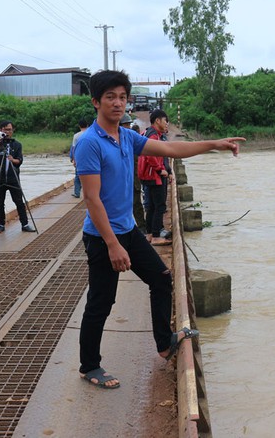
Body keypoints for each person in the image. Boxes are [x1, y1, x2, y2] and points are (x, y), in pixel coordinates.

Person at [73, 70, 244, 389]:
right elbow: (92, 200)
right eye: (110, 97)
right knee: (102, 301)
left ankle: (165, 343)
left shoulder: (127, 137)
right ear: (96, 102)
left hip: (128, 230)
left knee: (161, 279)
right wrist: (112, 245)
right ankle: (89, 365)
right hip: (101, 236)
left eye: (122, 97)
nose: (118, 103)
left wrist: (213, 145)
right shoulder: (89, 144)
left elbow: (171, 151)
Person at [0, 120, 35, 233]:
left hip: (13, 178)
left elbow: (20, 161)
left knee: (19, 202)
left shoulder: (16, 145)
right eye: (6, 130)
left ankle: (25, 224)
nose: (8, 132)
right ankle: (1, 225)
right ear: (1, 130)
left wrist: (13, 160)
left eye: (10, 130)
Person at [138, 109, 174, 245]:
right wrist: (161, 170)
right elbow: (150, 155)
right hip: (154, 175)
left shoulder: (150, 133)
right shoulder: (153, 136)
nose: (166, 124)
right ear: (157, 121)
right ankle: (157, 236)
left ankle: (149, 234)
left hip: (147, 175)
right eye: (165, 121)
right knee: (159, 206)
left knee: (152, 207)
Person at [70, 116, 90, 198]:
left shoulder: (76, 136)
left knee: (78, 176)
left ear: (79, 126)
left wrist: (74, 160)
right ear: (87, 125)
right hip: (90, 157)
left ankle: (77, 193)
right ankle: (91, 193)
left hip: (79, 158)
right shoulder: (91, 133)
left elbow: (74, 149)